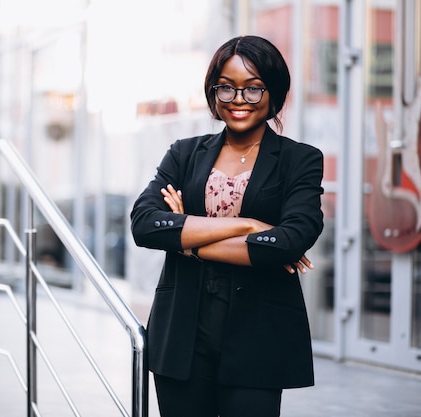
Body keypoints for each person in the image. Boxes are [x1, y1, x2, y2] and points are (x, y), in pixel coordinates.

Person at [130, 35, 324, 417]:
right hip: (181, 334)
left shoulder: (300, 160)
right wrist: (249, 225)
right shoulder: (184, 154)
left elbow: (289, 241)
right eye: (227, 87)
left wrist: (185, 239)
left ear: (274, 92)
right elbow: (146, 224)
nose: (239, 100)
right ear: (213, 91)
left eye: (254, 89)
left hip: (259, 337)